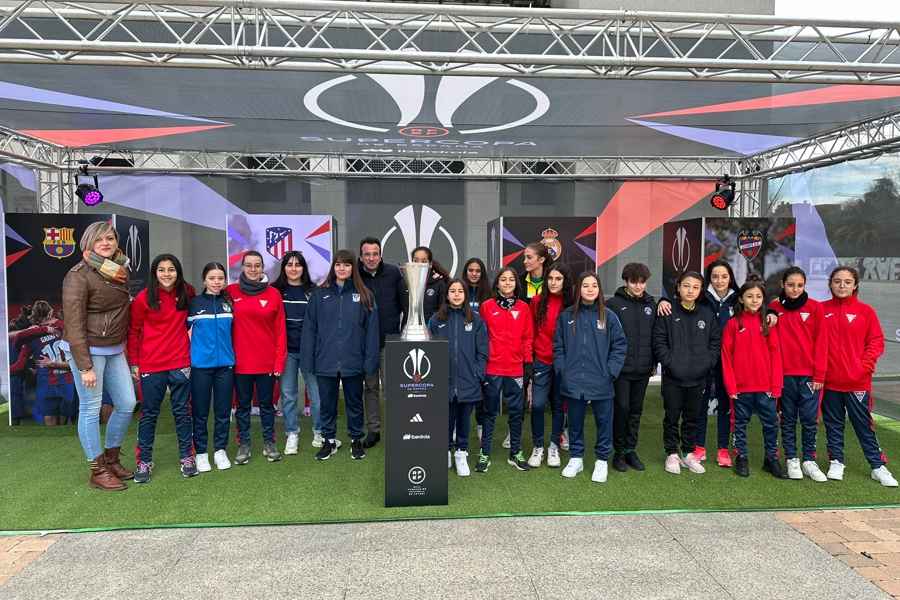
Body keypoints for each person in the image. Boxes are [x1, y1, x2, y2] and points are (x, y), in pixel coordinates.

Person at [62, 220, 137, 491]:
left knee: (127, 403)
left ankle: (112, 457)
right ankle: (97, 470)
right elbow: (73, 324)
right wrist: (85, 367)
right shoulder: (78, 275)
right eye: (99, 240)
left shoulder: (118, 269)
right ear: (88, 244)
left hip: (114, 348)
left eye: (110, 239)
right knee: (91, 409)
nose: (106, 243)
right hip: (89, 351)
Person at [821, 266, 897, 487]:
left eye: (847, 281)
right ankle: (836, 461)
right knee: (833, 424)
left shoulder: (866, 312)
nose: (842, 285)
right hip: (830, 382)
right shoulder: (821, 310)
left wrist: (863, 367)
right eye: (837, 281)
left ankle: (877, 466)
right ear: (831, 284)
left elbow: (876, 342)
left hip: (857, 383)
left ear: (855, 285)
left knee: (863, 424)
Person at [302, 250, 380, 461]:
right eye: (338, 264)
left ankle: (356, 440)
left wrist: (370, 361)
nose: (342, 268)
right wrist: (308, 359)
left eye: (346, 265)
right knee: (327, 403)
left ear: (353, 268)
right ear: (333, 267)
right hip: (325, 361)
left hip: (353, 360)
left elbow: (372, 332)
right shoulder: (319, 295)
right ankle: (328, 441)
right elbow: (309, 329)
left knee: (354, 403)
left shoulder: (365, 295)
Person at [128, 254, 197, 483]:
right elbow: (134, 331)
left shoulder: (188, 292)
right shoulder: (143, 298)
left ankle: (187, 456)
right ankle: (144, 461)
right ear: (154, 273)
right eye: (162, 270)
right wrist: (135, 362)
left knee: (182, 412)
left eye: (171, 269)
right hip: (152, 363)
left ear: (178, 271)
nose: (167, 274)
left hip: (180, 362)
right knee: (149, 413)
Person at [554, 273, 627, 483]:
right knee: (575, 422)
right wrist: (563, 370)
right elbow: (558, 347)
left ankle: (602, 460)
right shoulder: (567, 316)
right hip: (573, 381)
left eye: (594, 285)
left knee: (604, 422)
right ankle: (576, 458)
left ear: (599, 289)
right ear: (579, 289)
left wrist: (610, 372)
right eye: (585, 285)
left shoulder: (609, 316)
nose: (590, 289)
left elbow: (620, 346)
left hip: (601, 381)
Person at [652, 271, 721, 476]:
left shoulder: (707, 314)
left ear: (700, 291)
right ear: (679, 287)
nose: (690, 291)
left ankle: (689, 452)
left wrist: (706, 364)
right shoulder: (667, 311)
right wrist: (670, 363)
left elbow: (715, 343)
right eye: (686, 286)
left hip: (698, 377)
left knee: (693, 417)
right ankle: (672, 453)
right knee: (672, 416)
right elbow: (659, 342)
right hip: (673, 376)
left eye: (695, 287)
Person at [226, 251, 287, 465]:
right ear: (242, 267)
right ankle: (244, 444)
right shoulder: (230, 292)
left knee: (267, 405)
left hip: (266, 362)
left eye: (257, 265)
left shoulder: (273, 294)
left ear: (263, 268)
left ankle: (269, 443)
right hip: (239, 363)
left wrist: (279, 361)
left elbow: (280, 331)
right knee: (242, 406)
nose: (253, 269)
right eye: (249, 265)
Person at [721, 279, 786, 479]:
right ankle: (741, 457)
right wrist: (731, 386)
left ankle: (771, 459)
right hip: (741, 388)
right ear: (741, 298)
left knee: (770, 424)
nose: (754, 300)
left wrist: (776, 386)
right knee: (740, 424)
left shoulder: (768, 322)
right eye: (749, 296)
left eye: (758, 296)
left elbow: (776, 356)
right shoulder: (733, 324)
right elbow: (726, 356)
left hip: (766, 388)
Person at [769, 267, 828, 482]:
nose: (795, 289)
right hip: (784, 375)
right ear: (783, 285)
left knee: (809, 419)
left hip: (809, 376)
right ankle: (792, 458)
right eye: (791, 285)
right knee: (788, 418)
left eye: (800, 285)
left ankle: (809, 460)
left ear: (805, 286)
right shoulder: (773, 308)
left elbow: (822, 343)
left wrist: (819, 375)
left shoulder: (815, 308)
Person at [428, 279, 488, 477]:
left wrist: (477, 373)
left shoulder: (476, 320)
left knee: (464, 421)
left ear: (465, 295)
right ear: (446, 295)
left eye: (460, 291)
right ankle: (444, 451)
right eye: (452, 291)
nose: (456, 294)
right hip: (444, 382)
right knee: (445, 420)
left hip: (468, 382)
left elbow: (482, 352)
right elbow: (429, 351)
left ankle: (461, 453)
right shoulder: (436, 319)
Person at [477, 267, 534, 472]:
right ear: (497, 283)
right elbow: (481, 338)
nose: (508, 283)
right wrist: (482, 363)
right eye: (503, 279)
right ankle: (484, 453)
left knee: (516, 412)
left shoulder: (524, 307)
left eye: (511, 279)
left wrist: (527, 364)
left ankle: (515, 453)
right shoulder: (486, 306)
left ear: (516, 283)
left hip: (515, 369)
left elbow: (528, 338)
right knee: (489, 412)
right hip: (492, 368)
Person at [358, 237, 408, 449]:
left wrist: (402, 334)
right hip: (365, 344)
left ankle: (398, 429)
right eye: (367, 254)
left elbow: (405, 305)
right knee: (370, 388)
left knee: (393, 388)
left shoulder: (394, 273)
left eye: (375, 253)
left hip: (390, 341)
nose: (371, 258)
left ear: (381, 255)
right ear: (361, 256)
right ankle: (374, 430)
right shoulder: (355, 275)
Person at [607, 263, 657, 473]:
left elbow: (656, 336)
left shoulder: (652, 305)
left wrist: (654, 363)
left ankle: (630, 450)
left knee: (636, 411)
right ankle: (618, 452)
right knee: (622, 409)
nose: (638, 286)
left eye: (642, 282)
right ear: (626, 281)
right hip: (621, 370)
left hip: (643, 369)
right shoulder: (613, 304)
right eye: (634, 282)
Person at [272, 251, 322, 454]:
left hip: (310, 351)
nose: (294, 268)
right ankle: (292, 433)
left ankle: (320, 431)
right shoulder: (275, 291)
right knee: (288, 394)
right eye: (289, 264)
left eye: (298, 265)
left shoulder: (314, 291)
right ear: (284, 268)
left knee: (317, 394)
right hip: (286, 351)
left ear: (304, 268)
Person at [188, 262, 235, 472]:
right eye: (212, 278)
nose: (217, 282)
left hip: (225, 365)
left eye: (220, 278)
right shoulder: (194, 303)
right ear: (204, 280)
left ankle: (220, 450)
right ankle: (201, 453)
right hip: (200, 366)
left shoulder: (229, 302)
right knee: (200, 412)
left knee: (223, 411)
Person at [528, 263, 574, 468]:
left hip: (563, 364)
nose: (554, 282)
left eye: (558, 279)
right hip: (541, 361)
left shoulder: (572, 304)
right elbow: (531, 333)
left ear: (565, 282)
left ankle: (554, 445)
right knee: (537, 405)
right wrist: (531, 359)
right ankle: (538, 446)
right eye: (550, 279)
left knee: (558, 406)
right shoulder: (537, 301)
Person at [10, 301, 75, 426]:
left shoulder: (31, 337)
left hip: (46, 383)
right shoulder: (61, 328)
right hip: (66, 380)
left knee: (50, 427)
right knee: (63, 427)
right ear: (50, 313)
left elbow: (19, 364)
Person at [461, 257, 492, 443]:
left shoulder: (488, 295)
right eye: (470, 270)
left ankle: (481, 427)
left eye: (477, 271)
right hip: (463, 348)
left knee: (481, 389)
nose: (474, 273)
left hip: (481, 348)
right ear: (465, 272)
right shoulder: (457, 292)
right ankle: (457, 428)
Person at [411, 246, 450, 324]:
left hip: (431, 332)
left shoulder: (439, 283)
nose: (419, 264)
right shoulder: (404, 282)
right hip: (409, 332)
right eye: (416, 260)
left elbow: (443, 312)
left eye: (424, 261)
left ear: (430, 264)